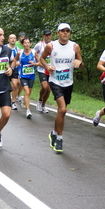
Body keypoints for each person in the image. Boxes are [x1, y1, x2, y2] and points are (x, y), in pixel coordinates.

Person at [40, 23, 83, 153]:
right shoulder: (51, 46)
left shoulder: (75, 47)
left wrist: (79, 63)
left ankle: (54, 133)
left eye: (67, 31)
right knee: (63, 109)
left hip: (68, 82)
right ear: (58, 33)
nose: (65, 33)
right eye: (62, 31)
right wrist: (47, 67)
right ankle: (59, 138)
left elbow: (81, 64)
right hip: (55, 81)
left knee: (61, 111)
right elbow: (42, 58)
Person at [18, 37, 40, 119]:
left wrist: (34, 64)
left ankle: (24, 99)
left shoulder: (34, 52)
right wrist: (16, 64)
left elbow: (40, 63)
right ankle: (28, 111)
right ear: (23, 44)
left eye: (28, 43)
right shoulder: (20, 53)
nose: (27, 44)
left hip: (31, 75)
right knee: (27, 91)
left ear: (30, 44)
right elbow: (15, 60)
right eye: (25, 43)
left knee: (28, 92)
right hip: (23, 75)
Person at [33, 29, 52, 113]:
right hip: (42, 69)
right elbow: (33, 52)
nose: (48, 37)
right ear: (43, 36)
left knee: (48, 90)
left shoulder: (54, 44)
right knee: (45, 87)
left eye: (49, 35)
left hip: (51, 70)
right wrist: (37, 61)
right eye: (46, 35)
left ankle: (43, 105)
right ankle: (40, 100)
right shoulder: (39, 45)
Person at [5, 34, 21, 110]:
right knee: (6, 86)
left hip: (14, 69)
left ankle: (13, 102)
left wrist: (17, 62)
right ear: (8, 40)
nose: (13, 39)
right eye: (11, 38)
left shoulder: (17, 49)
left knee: (15, 85)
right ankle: (6, 100)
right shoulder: (4, 48)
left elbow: (18, 59)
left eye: (14, 38)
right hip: (6, 69)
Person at [14, 32, 25, 105]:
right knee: (16, 82)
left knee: (21, 82)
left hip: (23, 65)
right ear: (19, 38)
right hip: (16, 63)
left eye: (23, 36)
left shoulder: (25, 44)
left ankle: (18, 95)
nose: (22, 38)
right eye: (21, 37)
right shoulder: (16, 44)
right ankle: (14, 96)